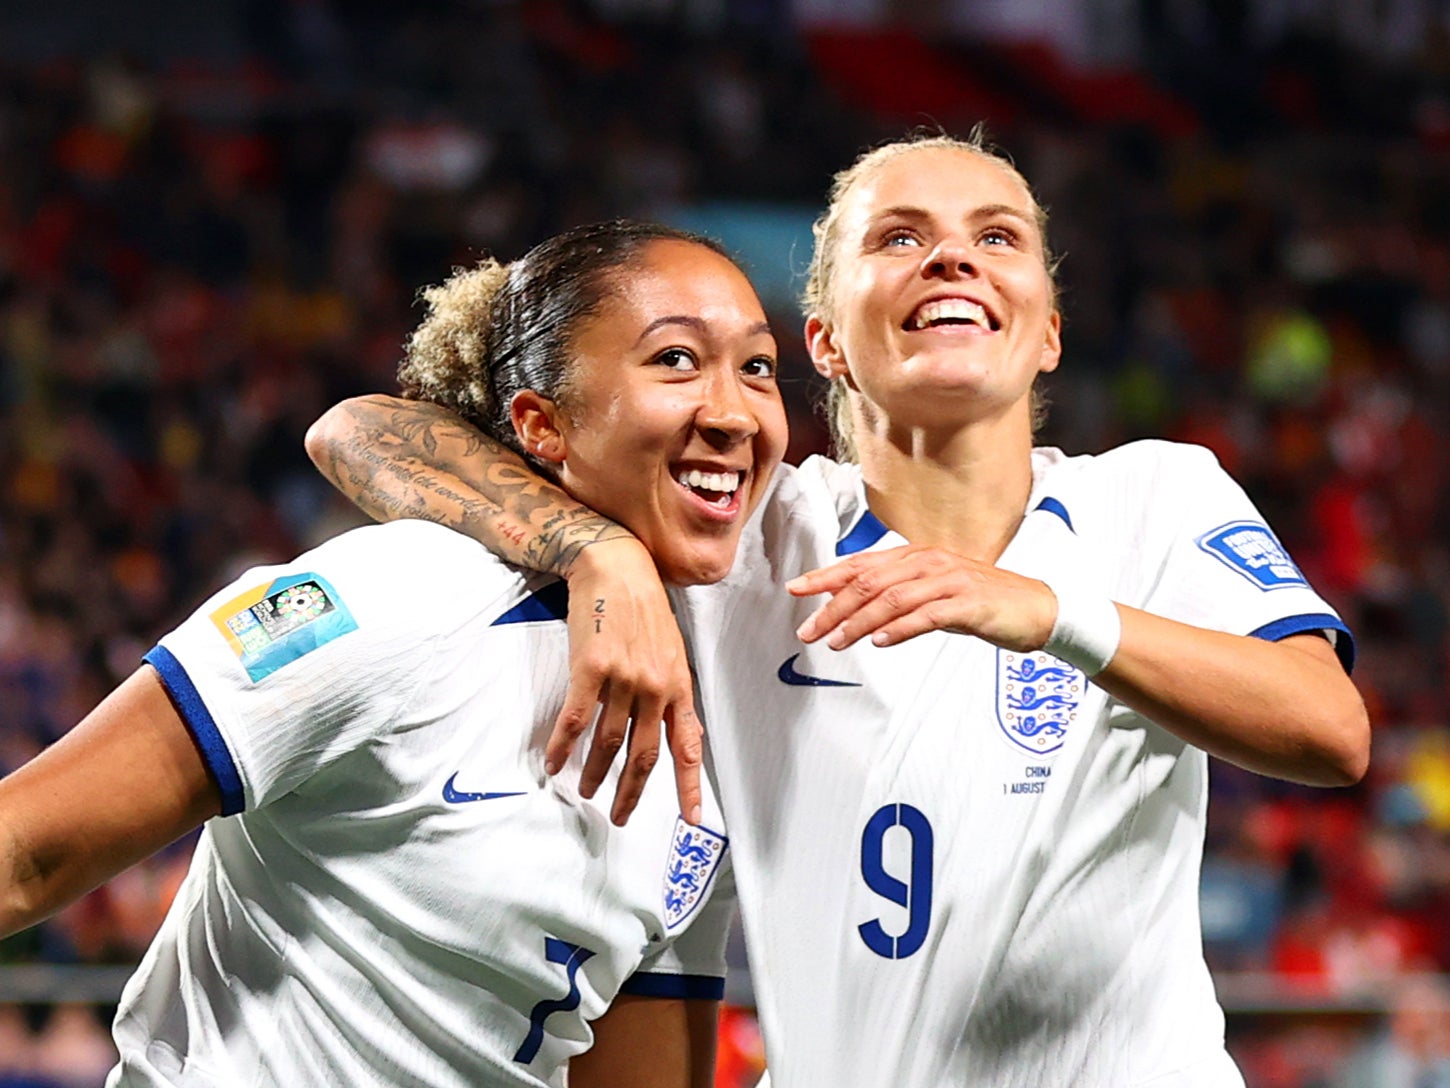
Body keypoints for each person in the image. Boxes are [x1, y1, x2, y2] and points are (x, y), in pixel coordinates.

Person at [306, 130, 1371, 1087]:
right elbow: (363, 431)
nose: (951, 257)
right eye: (898, 239)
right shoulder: (744, 531)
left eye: (996, 237)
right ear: (821, 340)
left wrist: (1049, 610)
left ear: (1046, 330)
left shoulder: (1153, 497)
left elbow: (1328, 729)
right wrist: (592, 547)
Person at [0, 219, 789, 1087]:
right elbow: (26, 853)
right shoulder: (400, 594)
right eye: (675, 360)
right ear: (543, 425)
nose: (732, 412)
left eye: (758, 367)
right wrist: (599, 550)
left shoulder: (713, 726)